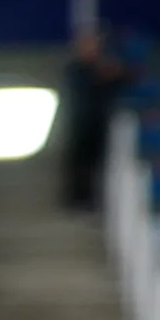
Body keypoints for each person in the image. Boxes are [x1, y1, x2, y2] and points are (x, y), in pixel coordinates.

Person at [58, 28, 132, 212]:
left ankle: (92, 200)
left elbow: (125, 79)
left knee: (97, 164)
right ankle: (76, 199)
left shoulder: (103, 67)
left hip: (98, 124)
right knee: (79, 164)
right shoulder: (76, 68)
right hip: (81, 124)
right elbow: (82, 87)